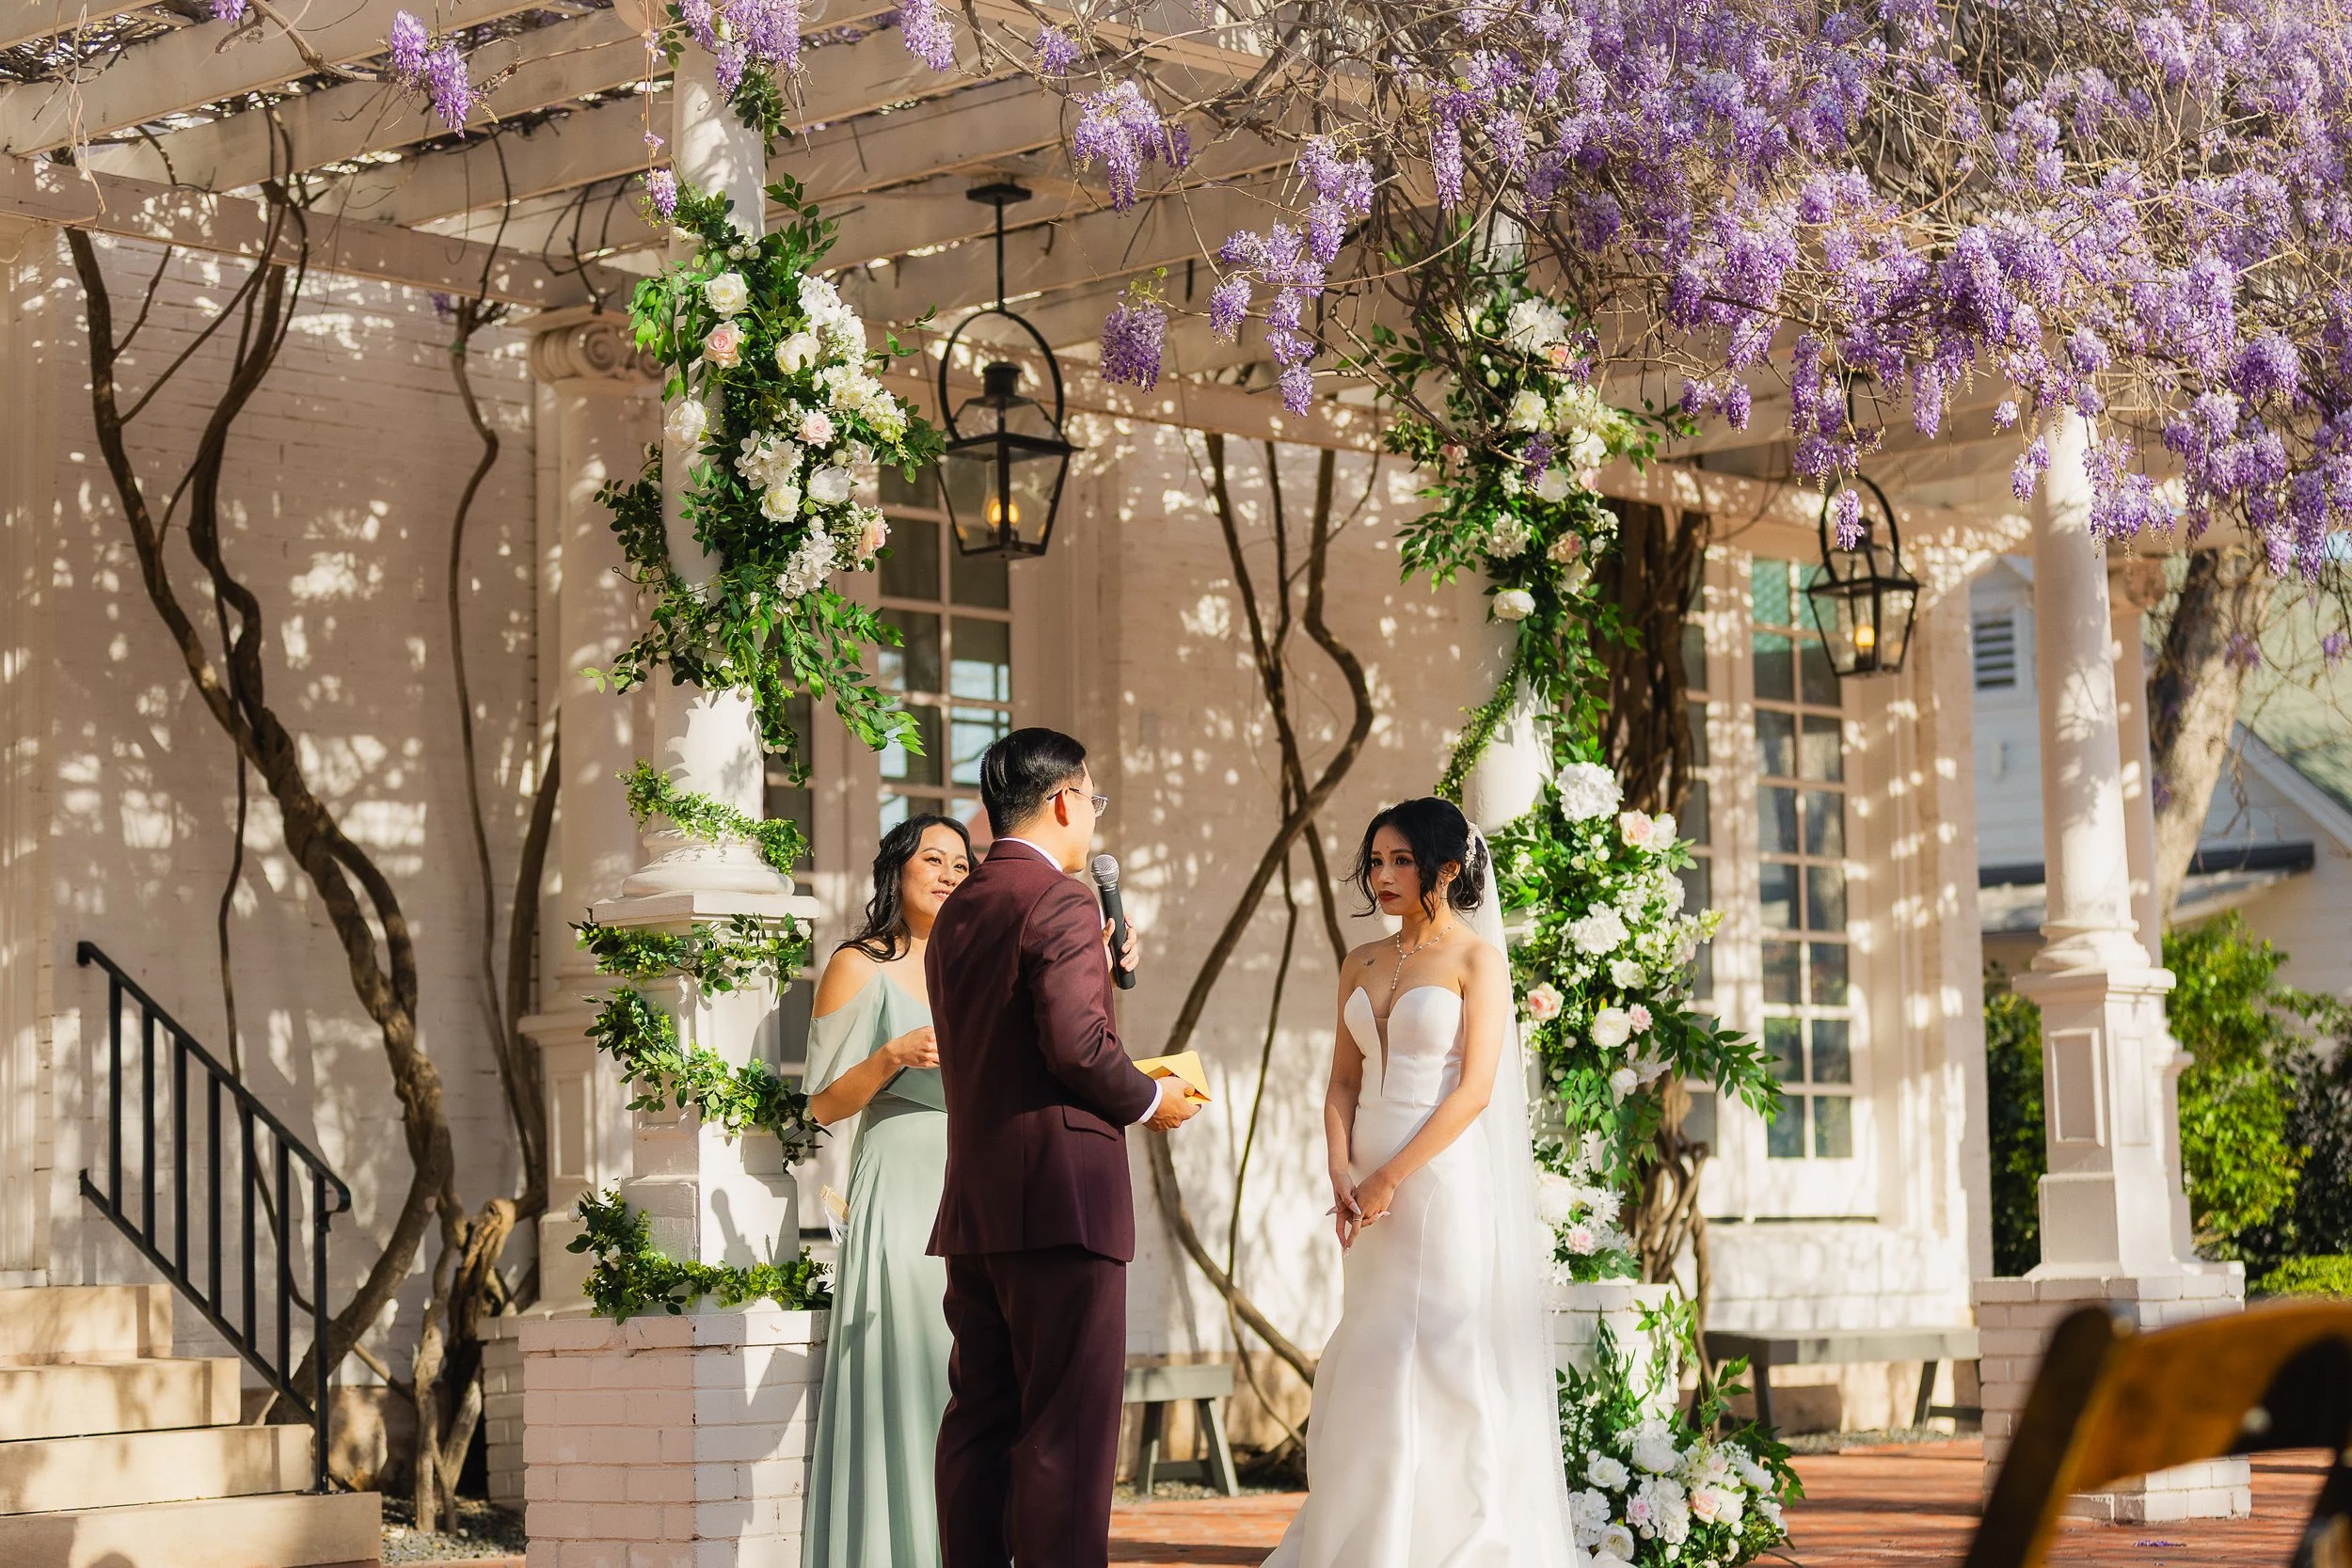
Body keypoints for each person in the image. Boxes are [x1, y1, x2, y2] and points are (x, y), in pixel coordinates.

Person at [1263, 796, 1580, 1568]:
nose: (1383, 875)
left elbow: (1474, 1090)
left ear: (1447, 865)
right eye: (1376, 860)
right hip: (1364, 1190)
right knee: (1371, 1346)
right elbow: (1341, 1083)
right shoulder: (1360, 960)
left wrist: (1389, 1179)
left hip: (1439, 1185)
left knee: (1441, 1349)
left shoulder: (1478, 959)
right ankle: (1364, 1536)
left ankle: (1457, 1543)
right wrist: (1341, 1169)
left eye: (1401, 860)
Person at [925, 727, 1203, 1568]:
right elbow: (1077, 1046)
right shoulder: (1064, 899)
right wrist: (1152, 1096)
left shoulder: (960, 909)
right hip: (1062, 1204)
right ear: (1063, 800)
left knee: (979, 1422)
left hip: (979, 1205)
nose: (1092, 817)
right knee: (1066, 1436)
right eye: (1093, 799)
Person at [802, 815, 974, 1568]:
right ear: (897, 871)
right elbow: (823, 1103)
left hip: (978, 1177)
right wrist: (892, 1054)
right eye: (931, 859)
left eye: (962, 864)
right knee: (914, 1367)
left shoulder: (981, 962)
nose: (946, 873)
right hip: (902, 1182)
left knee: (970, 1373)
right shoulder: (858, 963)